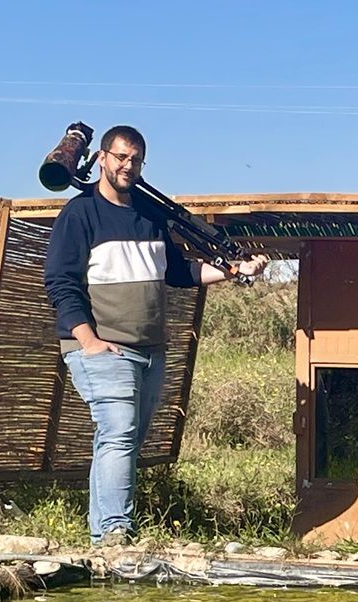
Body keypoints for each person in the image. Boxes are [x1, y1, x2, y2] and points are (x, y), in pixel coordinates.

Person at [43, 124, 268, 545]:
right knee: (119, 432)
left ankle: (103, 538)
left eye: (136, 160)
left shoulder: (150, 218)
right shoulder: (80, 214)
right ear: (101, 159)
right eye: (121, 157)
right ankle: (116, 530)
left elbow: (179, 271)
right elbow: (60, 282)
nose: (128, 166)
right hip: (103, 347)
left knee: (123, 440)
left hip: (149, 351)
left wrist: (234, 270)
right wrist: (89, 341)